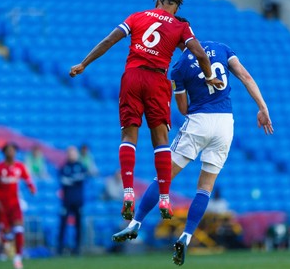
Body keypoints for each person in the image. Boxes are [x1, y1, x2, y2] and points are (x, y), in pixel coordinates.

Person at [69, 0, 223, 221]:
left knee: (129, 135)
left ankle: (128, 192)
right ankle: (164, 197)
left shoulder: (137, 16)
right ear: (178, 4)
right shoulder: (181, 26)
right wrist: (209, 76)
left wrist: (83, 63)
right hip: (157, 80)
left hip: (132, 76)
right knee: (160, 139)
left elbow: (109, 40)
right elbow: (200, 54)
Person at [112, 37, 273, 266]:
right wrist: (263, 108)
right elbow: (246, 77)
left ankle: (135, 223)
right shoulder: (221, 48)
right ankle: (186, 237)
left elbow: (183, 108)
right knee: (205, 188)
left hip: (199, 121)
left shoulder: (178, 68)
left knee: (164, 177)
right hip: (226, 123)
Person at [0, 142, 36, 269]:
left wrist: (31, 188)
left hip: (15, 205)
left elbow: (28, 179)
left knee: (19, 229)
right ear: (4, 153)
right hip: (1, 207)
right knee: (7, 234)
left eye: (13, 150)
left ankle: (18, 259)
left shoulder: (20, 166)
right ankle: (5, 242)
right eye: (8, 150)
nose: (11, 153)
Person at [57, 146, 87, 256]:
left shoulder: (81, 166)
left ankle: (77, 248)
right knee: (63, 225)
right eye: (69, 153)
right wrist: (73, 179)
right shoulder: (64, 167)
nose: (71, 155)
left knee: (78, 225)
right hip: (66, 201)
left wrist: (70, 180)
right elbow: (63, 180)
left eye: (73, 153)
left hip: (78, 201)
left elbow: (81, 178)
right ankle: (60, 248)